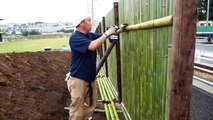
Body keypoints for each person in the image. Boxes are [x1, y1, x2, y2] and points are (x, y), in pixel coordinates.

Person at [67, 13, 117, 120]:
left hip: (90, 79)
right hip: (78, 80)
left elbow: (102, 36)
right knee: (77, 110)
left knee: (90, 106)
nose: (91, 23)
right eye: (89, 20)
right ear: (81, 23)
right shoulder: (75, 38)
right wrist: (108, 33)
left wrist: (118, 30)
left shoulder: (89, 35)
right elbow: (93, 46)